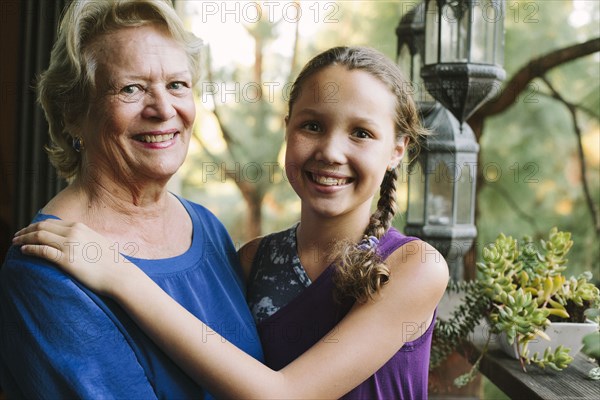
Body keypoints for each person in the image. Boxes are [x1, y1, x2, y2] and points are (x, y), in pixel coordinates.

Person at [14, 46, 449, 399]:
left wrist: (120, 276)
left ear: (397, 149)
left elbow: (286, 395)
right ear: (287, 131)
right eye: (312, 126)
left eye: (362, 133)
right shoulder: (250, 261)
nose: (331, 151)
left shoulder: (413, 267)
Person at [0, 1, 263, 398]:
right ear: (73, 113)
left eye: (177, 85)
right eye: (132, 88)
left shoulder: (208, 228)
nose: (163, 110)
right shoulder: (44, 271)